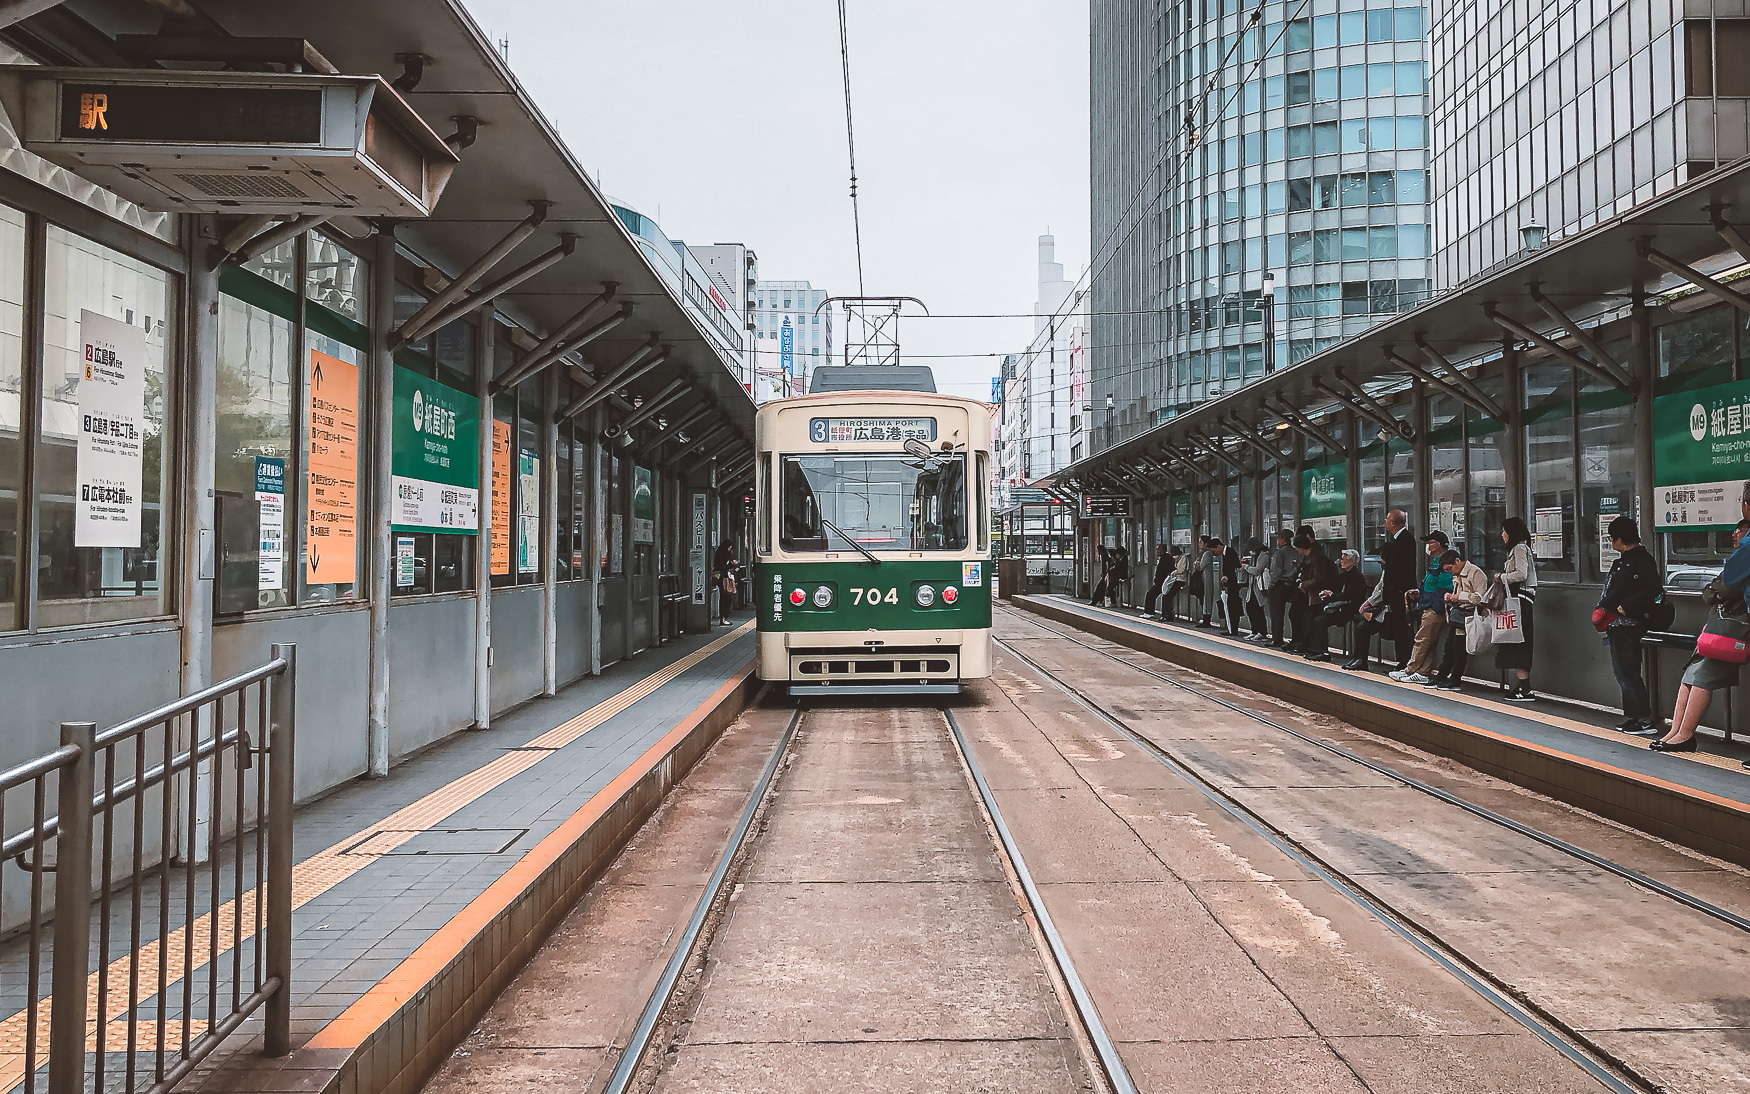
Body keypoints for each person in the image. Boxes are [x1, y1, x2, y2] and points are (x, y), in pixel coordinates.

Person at [1655, 483, 1750, 752]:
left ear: (1746, 505)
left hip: (1736, 625)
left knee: (1700, 675)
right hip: (1733, 624)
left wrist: (1714, 592)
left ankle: (1682, 734)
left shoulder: (1748, 545)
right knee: (1695, 672)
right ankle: (1677, 731)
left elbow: (1728, 581)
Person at [1596, 516, 1663, 733]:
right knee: (1622, 671)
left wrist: (1626, 607)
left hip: (1628, 623)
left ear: (1619, 539)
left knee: (1628, 671)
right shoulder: (1623, 561)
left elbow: (1653, 587)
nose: (1611, 542)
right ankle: (1633, 716)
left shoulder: (1641, 560)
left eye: (1612, 538)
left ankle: (1643, 719)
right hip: (1616, 624)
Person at [1346, 510, 1418, 672]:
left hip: (1399, 595)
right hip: (1390, 597)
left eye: (1387, 519)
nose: (1385, 521)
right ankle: (1365, 660)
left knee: (1401, 630)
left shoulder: (1406, 540)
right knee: (1396, 630)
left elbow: (1402, 571)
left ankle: (1404, 663)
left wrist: (1395, 592)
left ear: (1393, 523)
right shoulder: (1395, 540)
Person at [1389, 531, 1454, 684]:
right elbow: (1430, 585)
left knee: (1422, 639)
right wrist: (1419, 592)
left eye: (1429, 543)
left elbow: (1444, 587)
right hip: (1429, 605)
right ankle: (1423, 672)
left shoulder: (1443, 563)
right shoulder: (1436, 562)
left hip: (1434, 608)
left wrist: (1434, 606)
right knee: (1429, 641)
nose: (1427, 546)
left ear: (1436, 544)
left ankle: (1410, 669)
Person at [1428, 549, 1489, 690]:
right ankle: (1442, 675)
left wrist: (1459, 597)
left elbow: (1481, 598)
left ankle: (1455, 679)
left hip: (1469, 615)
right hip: (1459, 615)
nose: (1451, 573)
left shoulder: (1475, 573)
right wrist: (1451, 600)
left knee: (1459, 648)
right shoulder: (1457, 574)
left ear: (1457, 561)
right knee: (1450, 646)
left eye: (1450, 569)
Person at [1495, 516, 1538, 702]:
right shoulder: (1517, 549)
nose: (1502, 534)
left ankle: (1526, 689)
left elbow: (1521, 573)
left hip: (1521, 600)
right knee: (1515, 640)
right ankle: (1522, 686)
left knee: (1520, 641)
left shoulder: (1520, 548)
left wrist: (1501, 577)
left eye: (1505, 530)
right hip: (1517, 600)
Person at [1302, 548, 1368, 662]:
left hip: (1349, 608)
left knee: (1320, 620)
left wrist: (1332, 595)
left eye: (1344, 559)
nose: (1341, 561)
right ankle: (1314, 649)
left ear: (1352, 561)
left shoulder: (1357, 577)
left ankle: (1322, 651)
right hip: (1340, 606)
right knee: (1314, 616)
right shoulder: (1343, 576)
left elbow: (1350, 595)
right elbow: (1335, 589)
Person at [1288, 532, 1336, 654]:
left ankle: (1310, 647)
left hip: (1317, 594)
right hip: (1310, 594)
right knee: (1305, 618)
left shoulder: (1316, 558)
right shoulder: (1309, 557)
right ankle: (1306, 645)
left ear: (1300, 548)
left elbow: (1320, 578)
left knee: (1309, 619)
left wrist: (1305, 584)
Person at [1264, 529, 1296, 647]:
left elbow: (1275, 572)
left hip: (1279, 585)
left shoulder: (1279, 553)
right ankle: (1296, 638)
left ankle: (1277, 639)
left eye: (1278, 538)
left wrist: (1271, 584)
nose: (1277, 540)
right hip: (1292, 585)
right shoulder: (1296, 552)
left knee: (1276, 614)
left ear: (1283, 539)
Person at [1241, 538, 1270, 640]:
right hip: (1252, 586)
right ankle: (1254, 630)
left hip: (1259, 587)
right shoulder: (1254, 556)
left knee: (1258, 609)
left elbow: (1257, 570)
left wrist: (1246, 567)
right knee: (1250, 608)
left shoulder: (1264, 555)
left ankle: (1262, 632)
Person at [1217, 538, 1243, 633]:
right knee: (1229, 606)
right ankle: (1231, 628)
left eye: (1214, 550)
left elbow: (1234, 567)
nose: (1215, 553)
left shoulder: (1230, 552)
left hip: (1233, 584)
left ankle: (1233, 629)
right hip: (1230, 583)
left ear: (1218, 546)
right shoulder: (1226, 553)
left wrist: (1227, 577)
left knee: (1232, 606)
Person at [712, 538, 738, 626]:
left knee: (725, 597)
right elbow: (722, 566)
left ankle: (723, 618)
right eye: (729, 547)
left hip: (723, 577)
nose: (730, 550)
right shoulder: (722, 554)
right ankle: (723, 618)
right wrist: (732, 564)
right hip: (723, 578)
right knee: (726, 598)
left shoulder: (720, 552)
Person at [1143, 544, 1174, 617]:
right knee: (1151, 594)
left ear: (1163, 550)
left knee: (1150, 594)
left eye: (1158, 549)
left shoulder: (1166, 558)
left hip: (1163, 582)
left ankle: (1149, 612)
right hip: (1161, 581)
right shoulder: (1163, 558)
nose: (1157, 551)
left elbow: (1167, 570)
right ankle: (1149, 612)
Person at [1197, 536, 1219, 626]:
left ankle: (1207, 619)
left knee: (1207, 598)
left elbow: (1201, 565)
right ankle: (1204, 617)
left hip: (1207, 577)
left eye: (1200, 542)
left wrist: (1197, 563)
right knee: (1203, 598)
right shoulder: (1202, 553)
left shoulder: (1207, 553)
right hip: (1203, 577)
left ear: (1206, 543)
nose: (1199, 544)